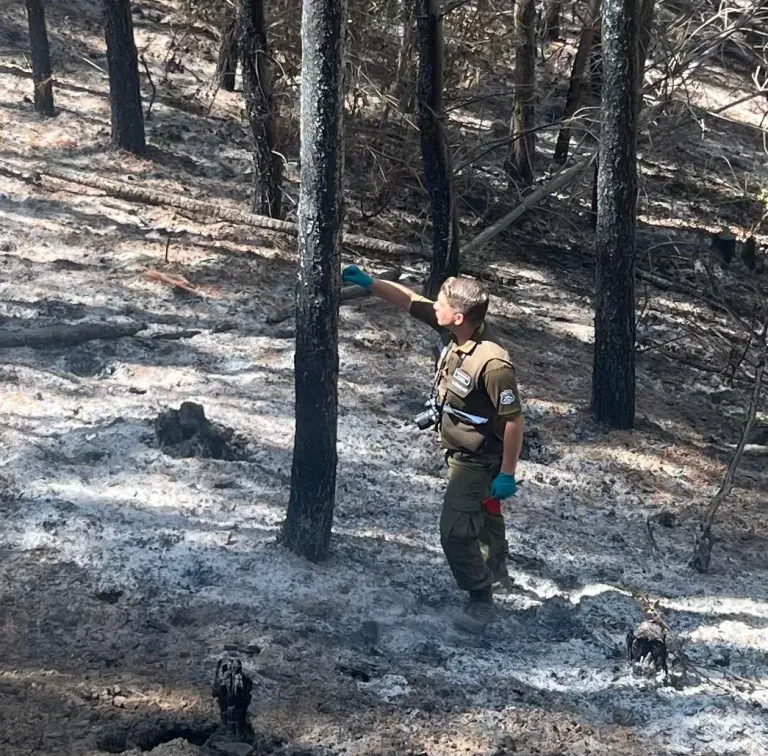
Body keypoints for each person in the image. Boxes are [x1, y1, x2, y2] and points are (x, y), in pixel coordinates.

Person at [342, 265, 525, 634]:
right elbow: (409, 300)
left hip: (478, 460)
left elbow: (514, 422)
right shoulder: (454, 328)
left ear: (458, 316)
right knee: (485, 515)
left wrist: (506, 473)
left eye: (441, 303)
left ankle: (480, 599)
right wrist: (369, 283)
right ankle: (496, 566)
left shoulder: (491, 363)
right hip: (459, 453)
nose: (434, 306)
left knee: (455, 532)